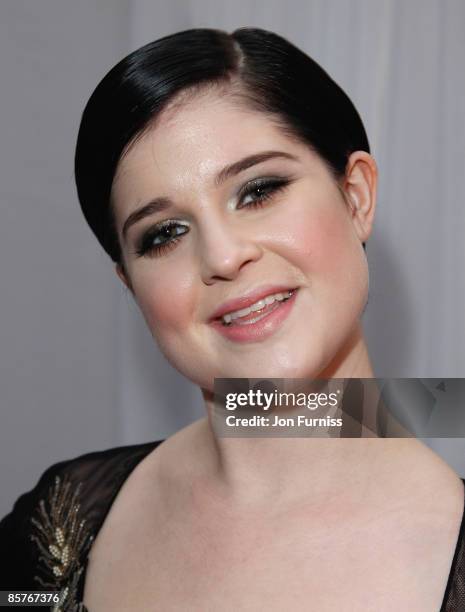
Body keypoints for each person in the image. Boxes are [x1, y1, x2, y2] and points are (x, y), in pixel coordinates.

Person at [1, 27, 464, 612]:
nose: (222, 257)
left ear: (356, 198)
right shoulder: (55, 531)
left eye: (259, 190)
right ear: (130, 283)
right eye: (163, 234)